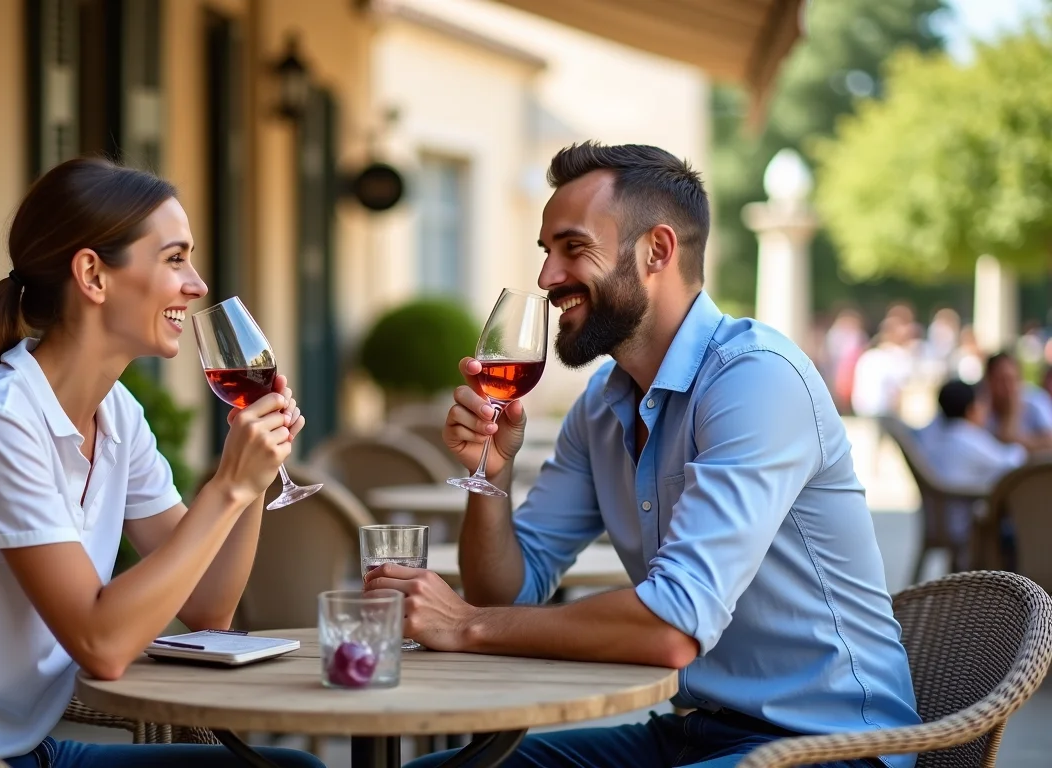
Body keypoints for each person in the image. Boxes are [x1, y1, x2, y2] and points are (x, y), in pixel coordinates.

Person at [366, 143, 920, 768]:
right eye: (546, 253)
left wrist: (463, 626)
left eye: (573, 248)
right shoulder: (601, 408)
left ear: (656, 250)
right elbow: (510, 594)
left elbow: (672, 626)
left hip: (835, 748)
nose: (547, 278)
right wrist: (490, 476)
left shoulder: (755, 379)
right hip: (694, 734)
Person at [0, 158, 325, 768]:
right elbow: (102, 645)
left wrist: (250, 481)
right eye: (175, 259)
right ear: (92, 274)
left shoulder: (116, 413)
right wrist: (226, 488)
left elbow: (208, 606)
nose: (197, 285)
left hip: (29, 752)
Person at [917, 380, 1025, 569]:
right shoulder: (966, 438)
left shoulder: (940, 435)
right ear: (971, 409)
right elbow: (1014, 461)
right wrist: (1013, 416)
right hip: (966, 524)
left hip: (944, 517)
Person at [981, 351, 1052, 453]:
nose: (1008, 387)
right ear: (989, 382)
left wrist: (1014, 439)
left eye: (1012, 379)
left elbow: (1049, 442)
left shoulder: (1036, 401)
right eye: (1001, 381)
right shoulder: (980, 409)